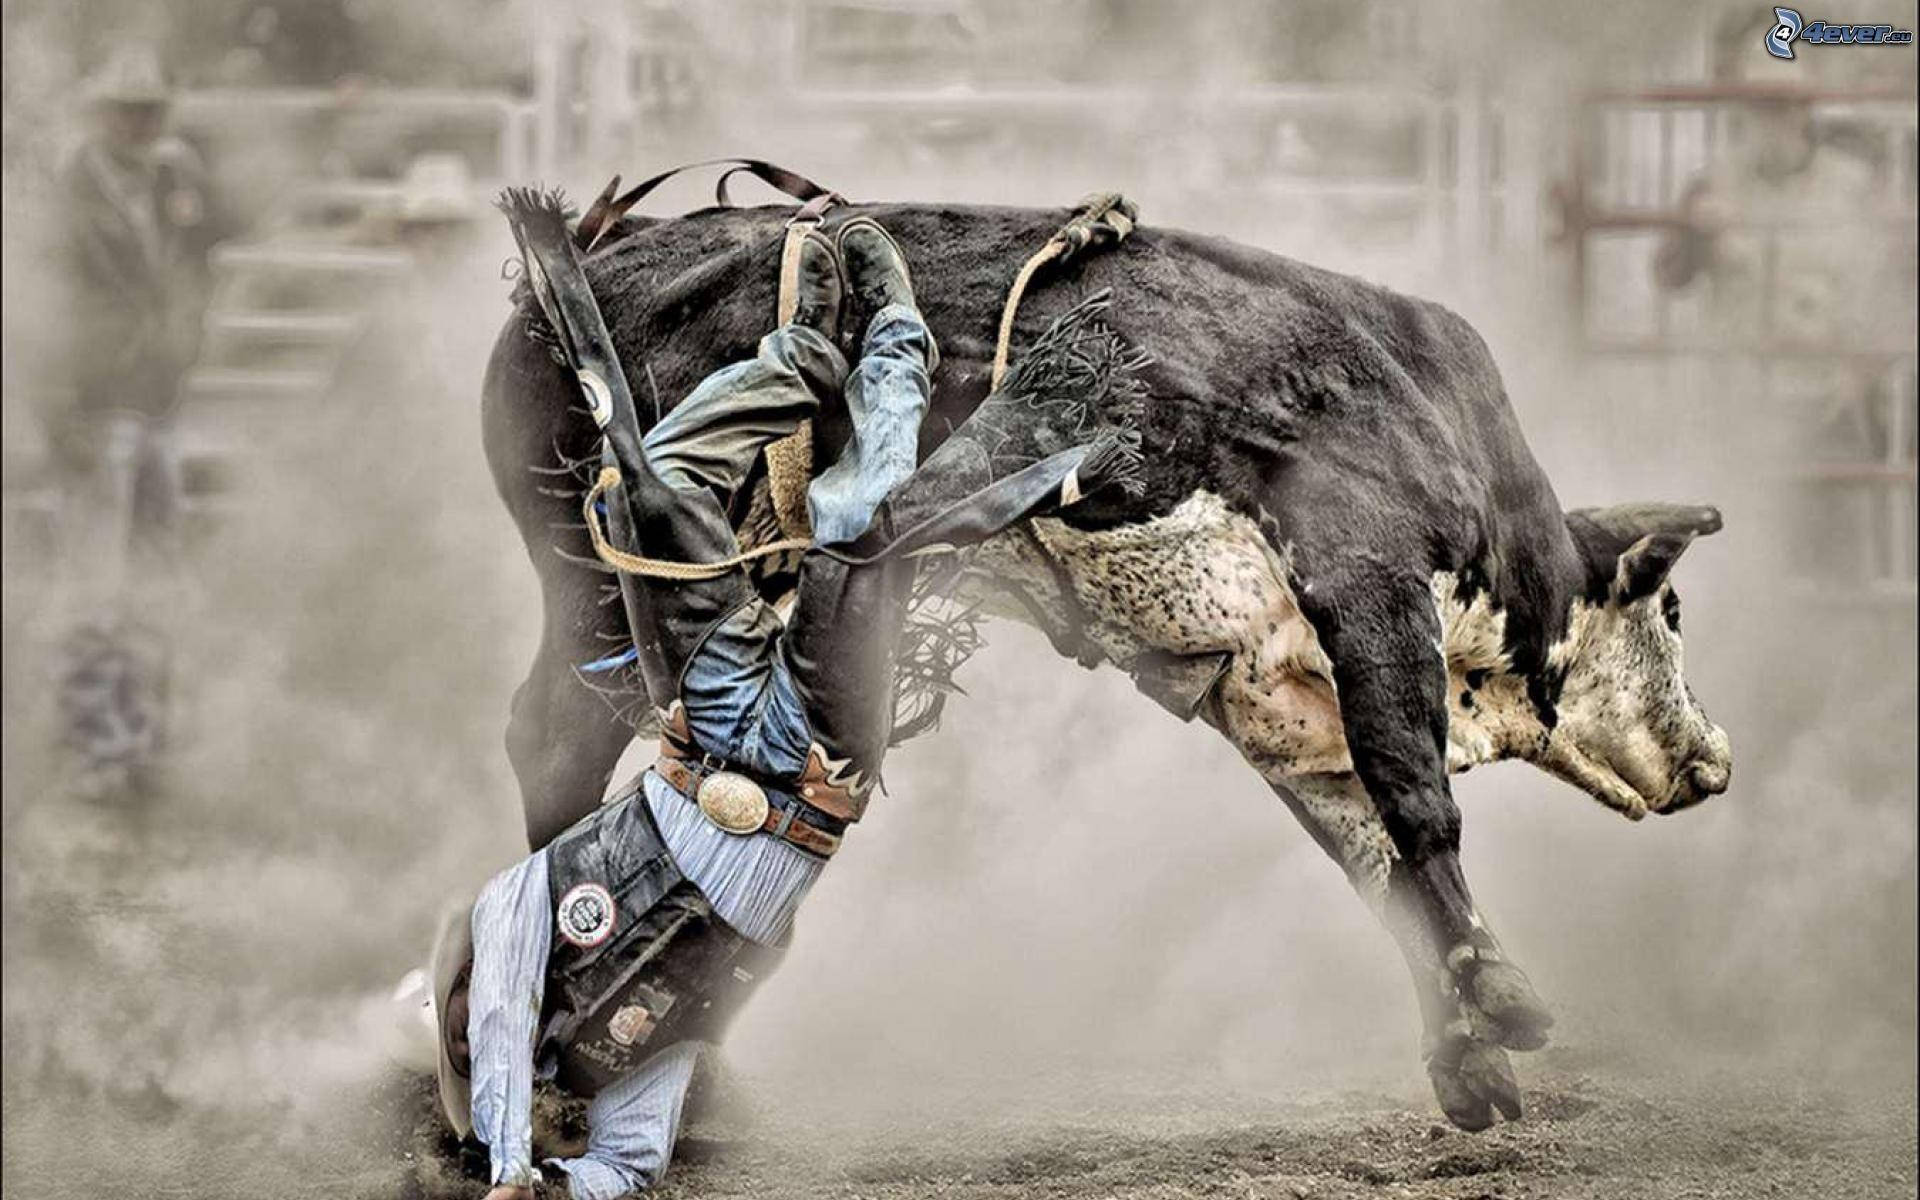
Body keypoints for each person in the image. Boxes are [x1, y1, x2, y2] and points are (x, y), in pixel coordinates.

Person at [430, 212, 1123, 1199]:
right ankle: (922, 363)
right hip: (808, 766)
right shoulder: (624, 1049)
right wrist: (557, 1185)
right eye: (466, 1040)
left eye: (460, 1026)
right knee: (859, 530)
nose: (474, 1028)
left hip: (706, 728)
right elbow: (628, 1164)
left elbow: (503, 1008)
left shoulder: (511, 920)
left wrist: (507, 1162)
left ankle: (805, 356)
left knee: (656, 478)